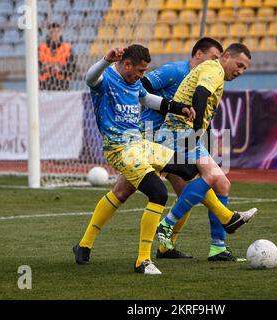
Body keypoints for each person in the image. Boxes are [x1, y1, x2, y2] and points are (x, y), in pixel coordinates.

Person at [73, 44, 257, 274]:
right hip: (121, 148)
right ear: (126, 65)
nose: (143, 76)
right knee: (157, 193)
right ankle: (143, 260)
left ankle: (83, 246)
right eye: (140, 71)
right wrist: (105, 60)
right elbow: (90, 78)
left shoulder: (135, 83)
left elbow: (148, 98)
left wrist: (177, 107)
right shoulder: (107, 78)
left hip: (142, 144)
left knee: (190, 172)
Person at [156, 43, 256, 253]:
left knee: (222, 185)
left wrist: (204, 137)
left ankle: (217, 248)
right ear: (226, 56)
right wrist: (197, 133)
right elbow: (200, 95)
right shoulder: (214, 69)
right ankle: (167, 223)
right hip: (178, 132)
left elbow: (203, 106)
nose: (240, 71)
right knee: (211, 175)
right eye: (239, 65)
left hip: (182, 133)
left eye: (245, 69)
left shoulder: (214, 70)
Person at [38, 22, 76, 91]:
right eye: (52, 32)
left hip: (62, 84)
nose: (55, 34)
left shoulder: (67, 48)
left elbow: (72, 68)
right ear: (48, 34)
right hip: (44, 85)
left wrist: (60, 69)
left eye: (57, 32)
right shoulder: (41, 48)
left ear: (61, 33)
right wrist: (45, 68)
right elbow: (36, 67)